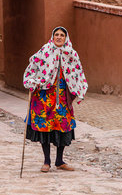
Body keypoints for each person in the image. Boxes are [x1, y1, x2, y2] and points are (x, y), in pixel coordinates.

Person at [23, 26, 88, 173]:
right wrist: (32, 82)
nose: (59, 37)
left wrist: (79, 89)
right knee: (45, 127)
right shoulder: (45, 51)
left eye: (62, 35)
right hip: (44, 96)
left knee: (63, 125)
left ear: (66, 38)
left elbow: (78, 72)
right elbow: (32, 67)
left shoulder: (71, 54)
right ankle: (47, 161)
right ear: (53, 37)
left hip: (62, 97)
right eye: (56, 35)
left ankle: (60, 160)